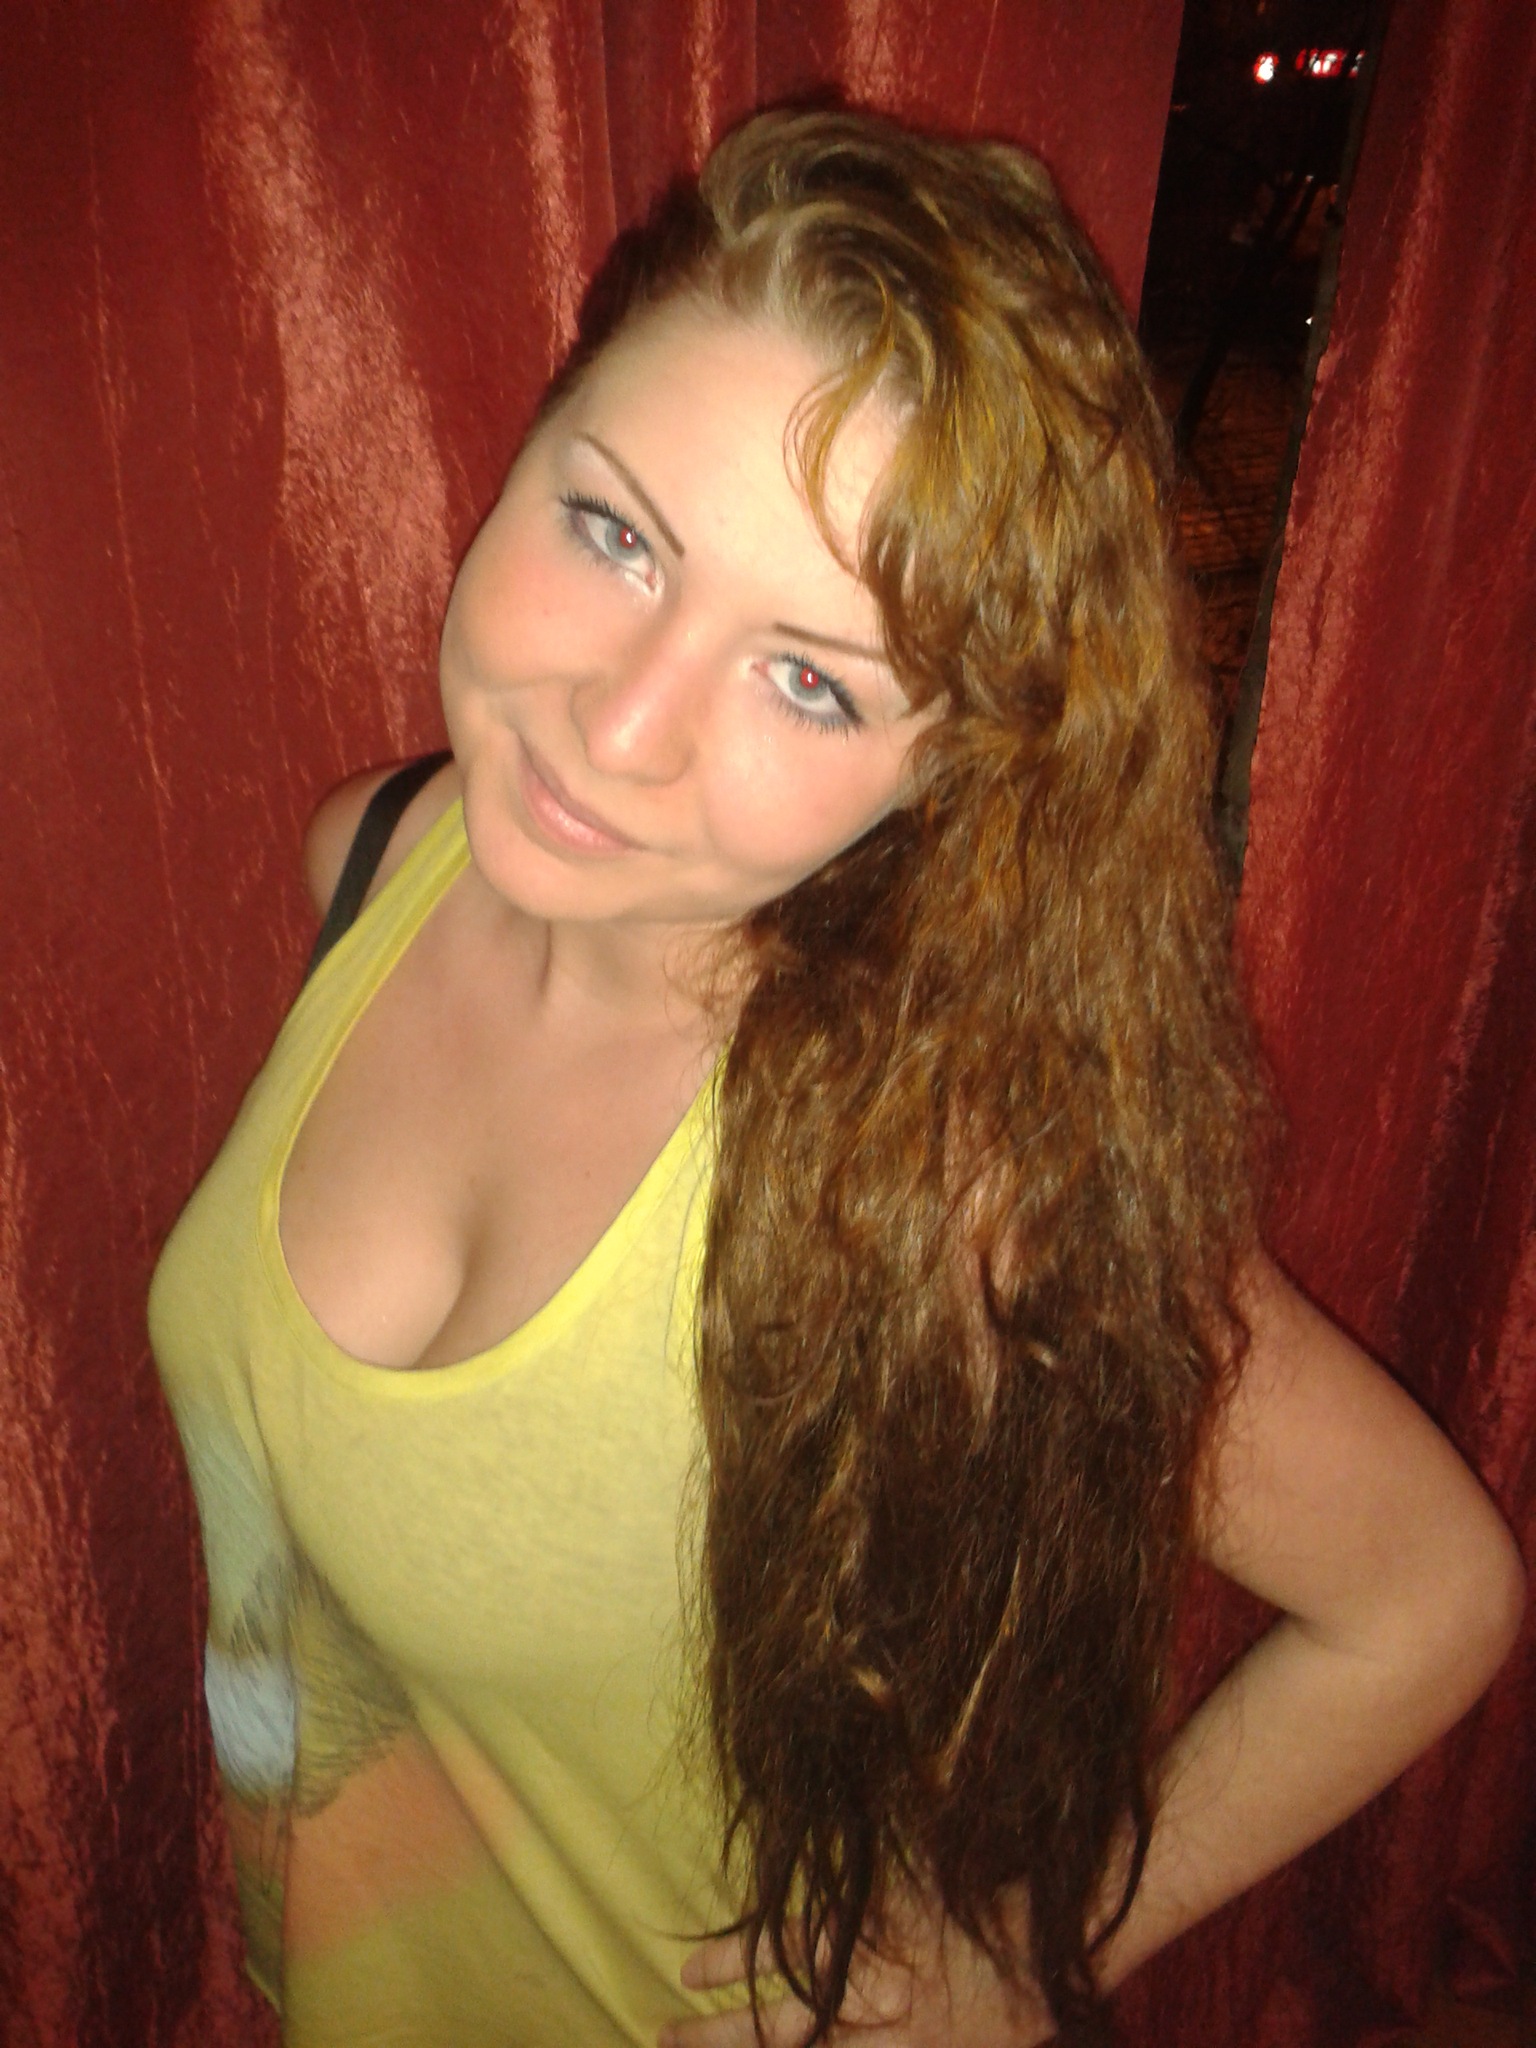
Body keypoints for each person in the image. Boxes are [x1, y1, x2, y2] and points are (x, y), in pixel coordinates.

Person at [149, 108, 1524, 2048]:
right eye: (616, 531)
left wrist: (1018, 1961)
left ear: (945, 768)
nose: (621, 725)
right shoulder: (376, 858)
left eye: (810, 677)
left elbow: (1425, 1592)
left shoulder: (937, 1168)